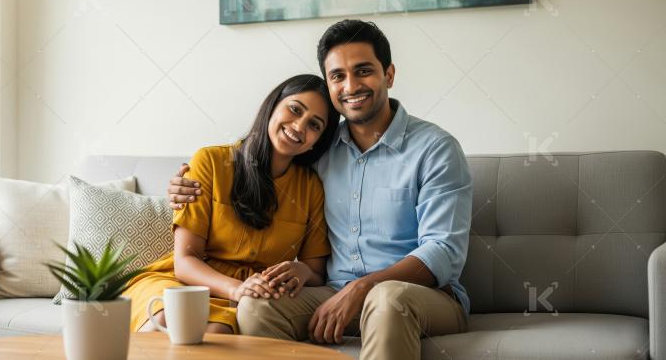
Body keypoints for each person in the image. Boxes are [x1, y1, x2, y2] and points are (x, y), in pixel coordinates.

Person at [168, 19, 473, 359]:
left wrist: (364, 286)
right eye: (337, 76)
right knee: (258, 307)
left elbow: (443, 250)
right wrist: (185, 181)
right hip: (333, 293)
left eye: (363, 71)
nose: (351, 85)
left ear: (388, 75)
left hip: (420, 297)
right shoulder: (317, 149)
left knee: (387, 299)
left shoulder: (436, 149)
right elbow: (259, 163)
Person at [125, 74, 340, 335]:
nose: (299, 126)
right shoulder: (210, 162)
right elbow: (186, 261)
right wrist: (235, 289)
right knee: (167, 320)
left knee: (216, 334)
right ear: (272, 105)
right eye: (295, 109)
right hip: (184, 281)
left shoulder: (311, 188)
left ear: (318, 141)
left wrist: (302, 270)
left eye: (314, 125)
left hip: (251, 296)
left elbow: (317, 274)